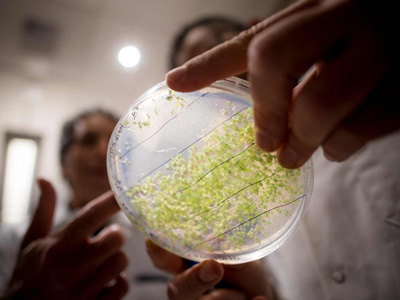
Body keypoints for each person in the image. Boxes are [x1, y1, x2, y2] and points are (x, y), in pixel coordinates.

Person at [146, 1, 400, 299]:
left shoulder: (374, 97)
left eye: (218, 50)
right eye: (206, 89)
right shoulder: (234, 208)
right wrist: (265, 292)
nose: (223, 83)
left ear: (256, 30)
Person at [0, 109, 169, 299]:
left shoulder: (157, 241)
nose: (105, 151)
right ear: (64, 164)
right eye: (88, 141)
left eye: (117, 143)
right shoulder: (10, 241)